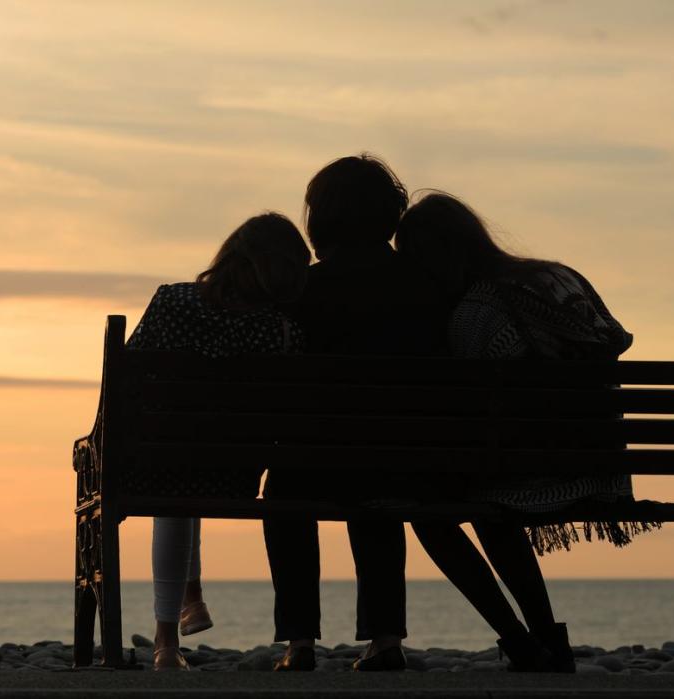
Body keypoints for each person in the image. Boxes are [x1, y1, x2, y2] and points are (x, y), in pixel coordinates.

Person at [394, 191, 657, 672]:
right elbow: (614, 340)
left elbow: (476, 416)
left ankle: (521, 640)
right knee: (489, 498)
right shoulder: (558, 276)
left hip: (538, 476)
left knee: (432, 511)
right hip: (604, 466)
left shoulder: (476, 312)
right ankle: (546, 639)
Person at [263, 155, 449, 672]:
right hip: (393, 457)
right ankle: (385, 639)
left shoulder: (301, 291)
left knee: (285, 496)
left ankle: (299, 642)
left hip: (307, 460)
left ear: (320, 219)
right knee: (378, 498)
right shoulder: (422, 289)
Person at [126, 212, 311, 671]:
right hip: (234, 474)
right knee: (188, 468)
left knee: (174, 471)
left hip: (159, 464)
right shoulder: (281, 329)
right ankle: (191, 598)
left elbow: (128, 384)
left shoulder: (171, 303)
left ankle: (166, 641)